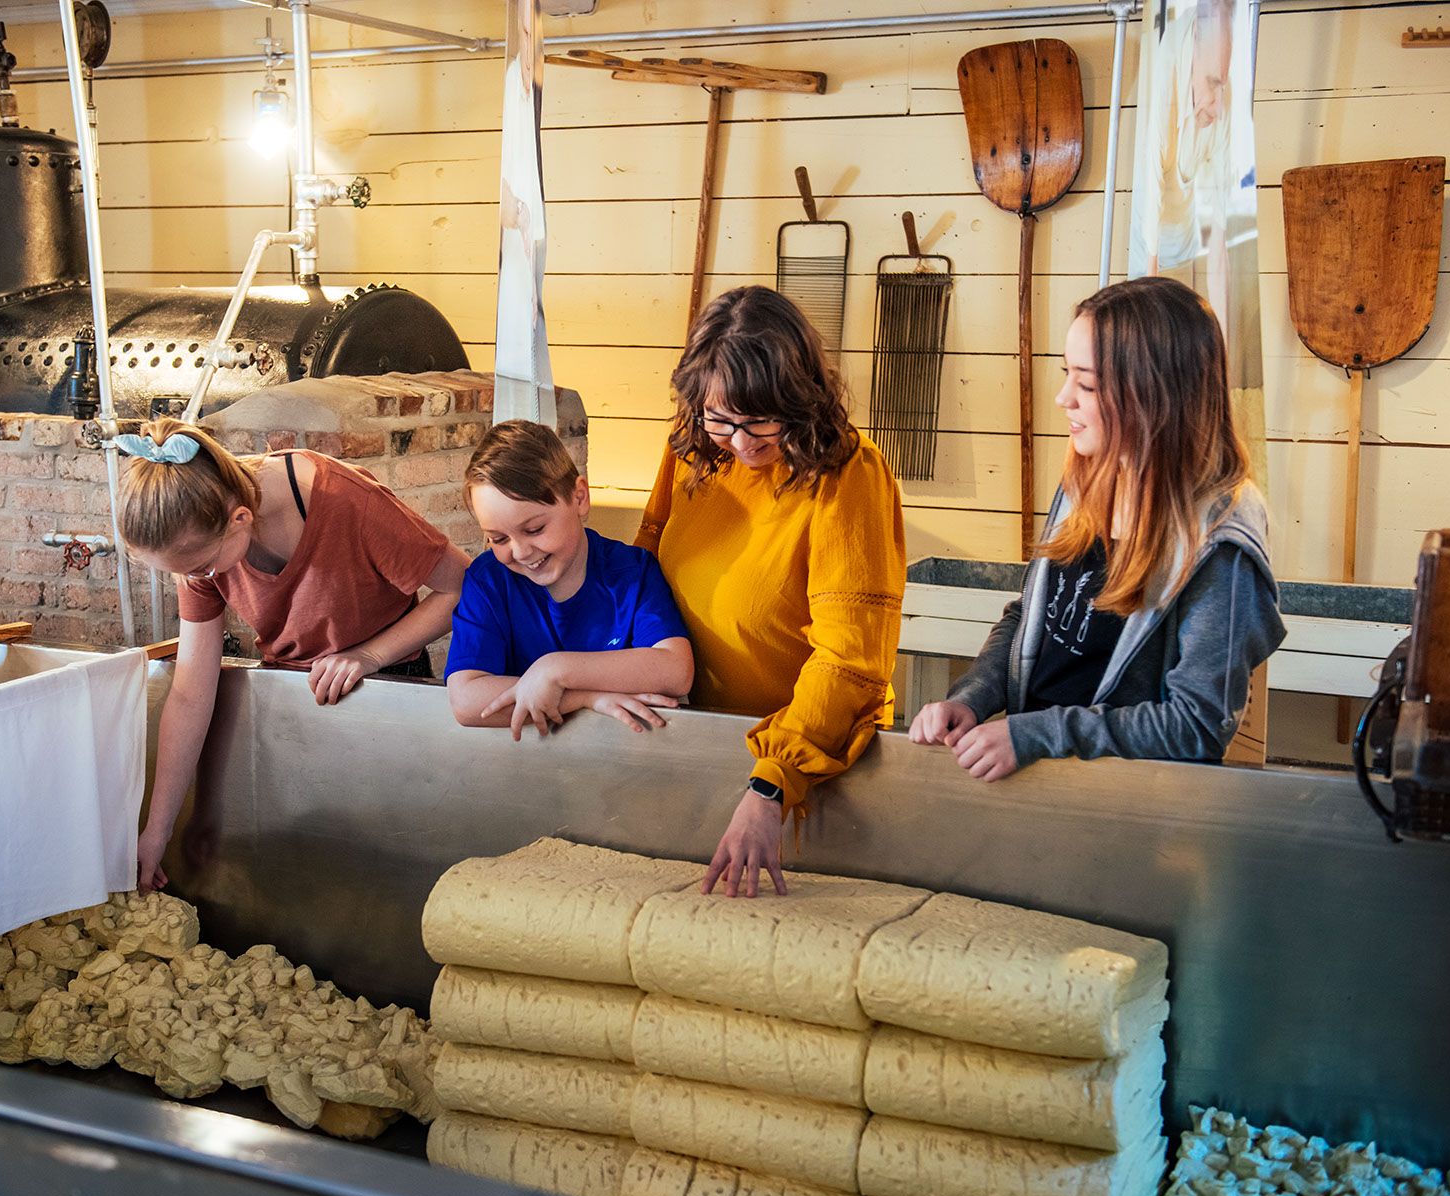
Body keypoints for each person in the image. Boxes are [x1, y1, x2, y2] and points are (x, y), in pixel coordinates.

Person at [909, 277, 1284, 778]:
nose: (1064, 398)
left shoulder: (1220, 541)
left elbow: (1196, 725)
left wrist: (1037, 734)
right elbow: (1032, 619)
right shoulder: (1089, 477)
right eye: (1068, 375)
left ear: (1155, 393)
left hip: (1128, 809)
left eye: (1086, 384)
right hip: (1036, 779)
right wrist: (974, 697)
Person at [115, 420, 470, 892]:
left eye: (200, 568)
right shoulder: (198, 531)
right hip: (286, 700)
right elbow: (189, 694)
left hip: (387, 694)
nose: (196, 579)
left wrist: (367, 655)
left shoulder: (347, 502)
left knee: (379, 876)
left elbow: (465, 587)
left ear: (239, 518)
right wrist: (157, 831)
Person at [635, 285, 906, 899]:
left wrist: (772, 782)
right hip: (690, 736)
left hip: (807, 762)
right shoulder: (693, 449)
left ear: (801, 399)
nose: (741, 441)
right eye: (720, 418)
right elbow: (641, 582)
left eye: (761, 419)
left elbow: (850, 659)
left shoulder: (849, 475)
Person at [447, 420, 694, 739]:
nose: (520, 552)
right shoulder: (487, 581)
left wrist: (555, 671)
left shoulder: (633, 572)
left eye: (534, 529)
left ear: (579, 498)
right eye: (498, 539)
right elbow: (466, 702)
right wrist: (585, 698)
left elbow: (676, 671)